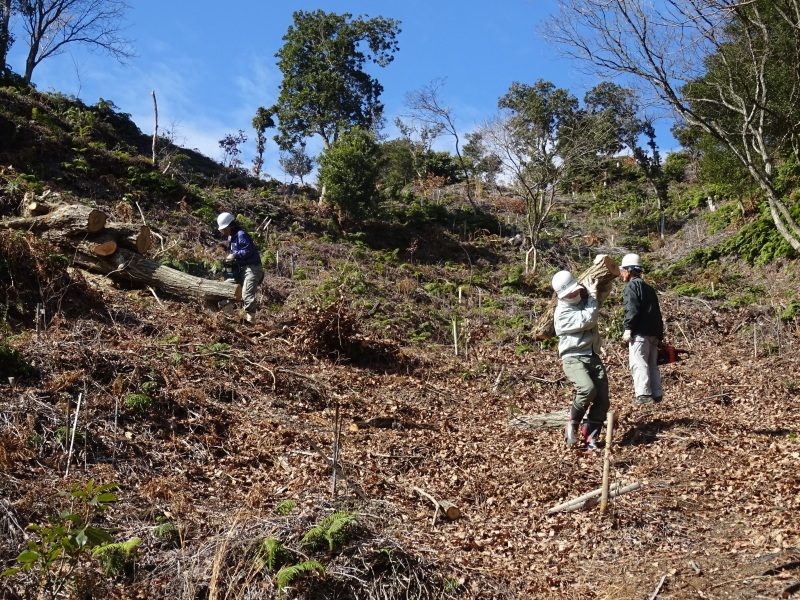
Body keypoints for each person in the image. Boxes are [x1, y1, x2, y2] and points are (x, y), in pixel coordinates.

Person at [552, 270, 610, 451]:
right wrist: (591, 296)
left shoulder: (584, 299)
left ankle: (590, 436)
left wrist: (600, 281)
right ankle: (572, 424)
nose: (573, 295)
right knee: (587, 389)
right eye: (569, 293)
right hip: (573, 357)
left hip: (592, 355)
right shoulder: (561, 313)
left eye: (574, 291)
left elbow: (603, 293)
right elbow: (589, 319)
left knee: (603, 400)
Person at [619, 253, 664, 405]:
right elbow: (656, 312)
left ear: (629, 270)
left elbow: (632, 308)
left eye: (623, 270)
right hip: (653, 333)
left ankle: (644, 395)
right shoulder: (649, 288)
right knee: (652, 364)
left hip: (640, 333)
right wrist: (660, 336)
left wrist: (628, 328)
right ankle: (656, 394)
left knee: (638, 362)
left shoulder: (632, 286)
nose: (621, 273)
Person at [217, 212, 264, 324]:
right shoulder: (231, 237)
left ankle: (251, 323)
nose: (224, 231)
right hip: (241, 268)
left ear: (231, 225)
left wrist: (234, 255)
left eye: (225, 228)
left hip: (252, 268)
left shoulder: (241, 234)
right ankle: (229, 318)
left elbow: (248, 250)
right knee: (226, 288)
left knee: (247, 294)